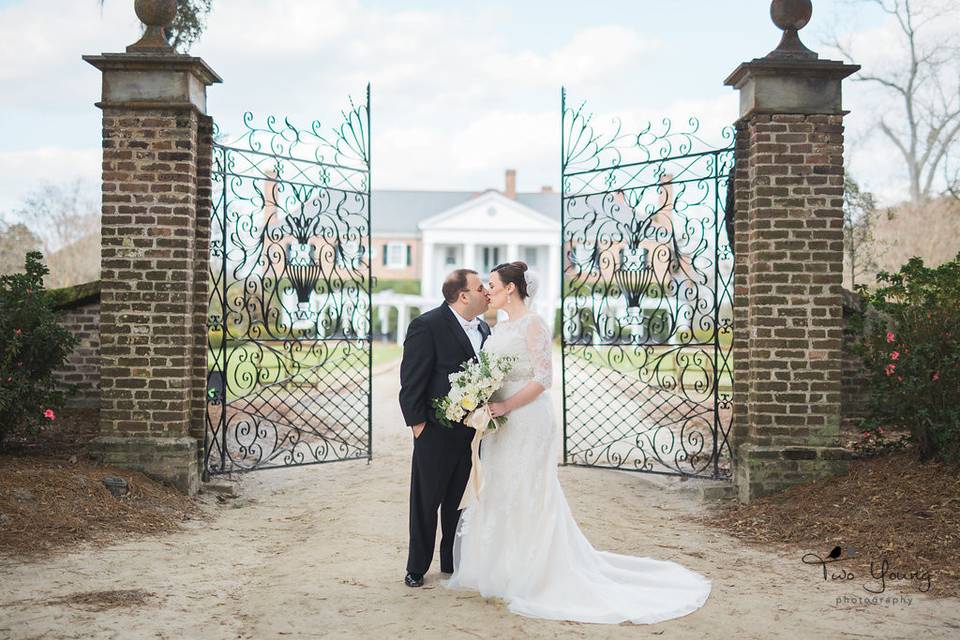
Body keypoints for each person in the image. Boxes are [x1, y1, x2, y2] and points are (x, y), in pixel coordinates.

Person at [443, 261, 712, 624]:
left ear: (511, 289)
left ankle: (533, 572)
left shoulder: (533, 323)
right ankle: (500, 569)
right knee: (500, 489)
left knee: (528, 489)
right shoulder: (497, 326)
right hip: (501, 423)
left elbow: (543, 377)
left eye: (492, 284)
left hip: (527, 419)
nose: (487, 290)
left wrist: (505, 404)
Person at [398, 268, 491, 588]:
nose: (487, 293)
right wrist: (419, 426)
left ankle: (452, 562)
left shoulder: (484, 328)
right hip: (435, 431)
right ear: (463, 295)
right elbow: (411, 381)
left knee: (460, 502)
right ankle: (416, 567)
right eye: (481, 288)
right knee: (426, 502)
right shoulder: (426, 326)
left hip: (472, 433)